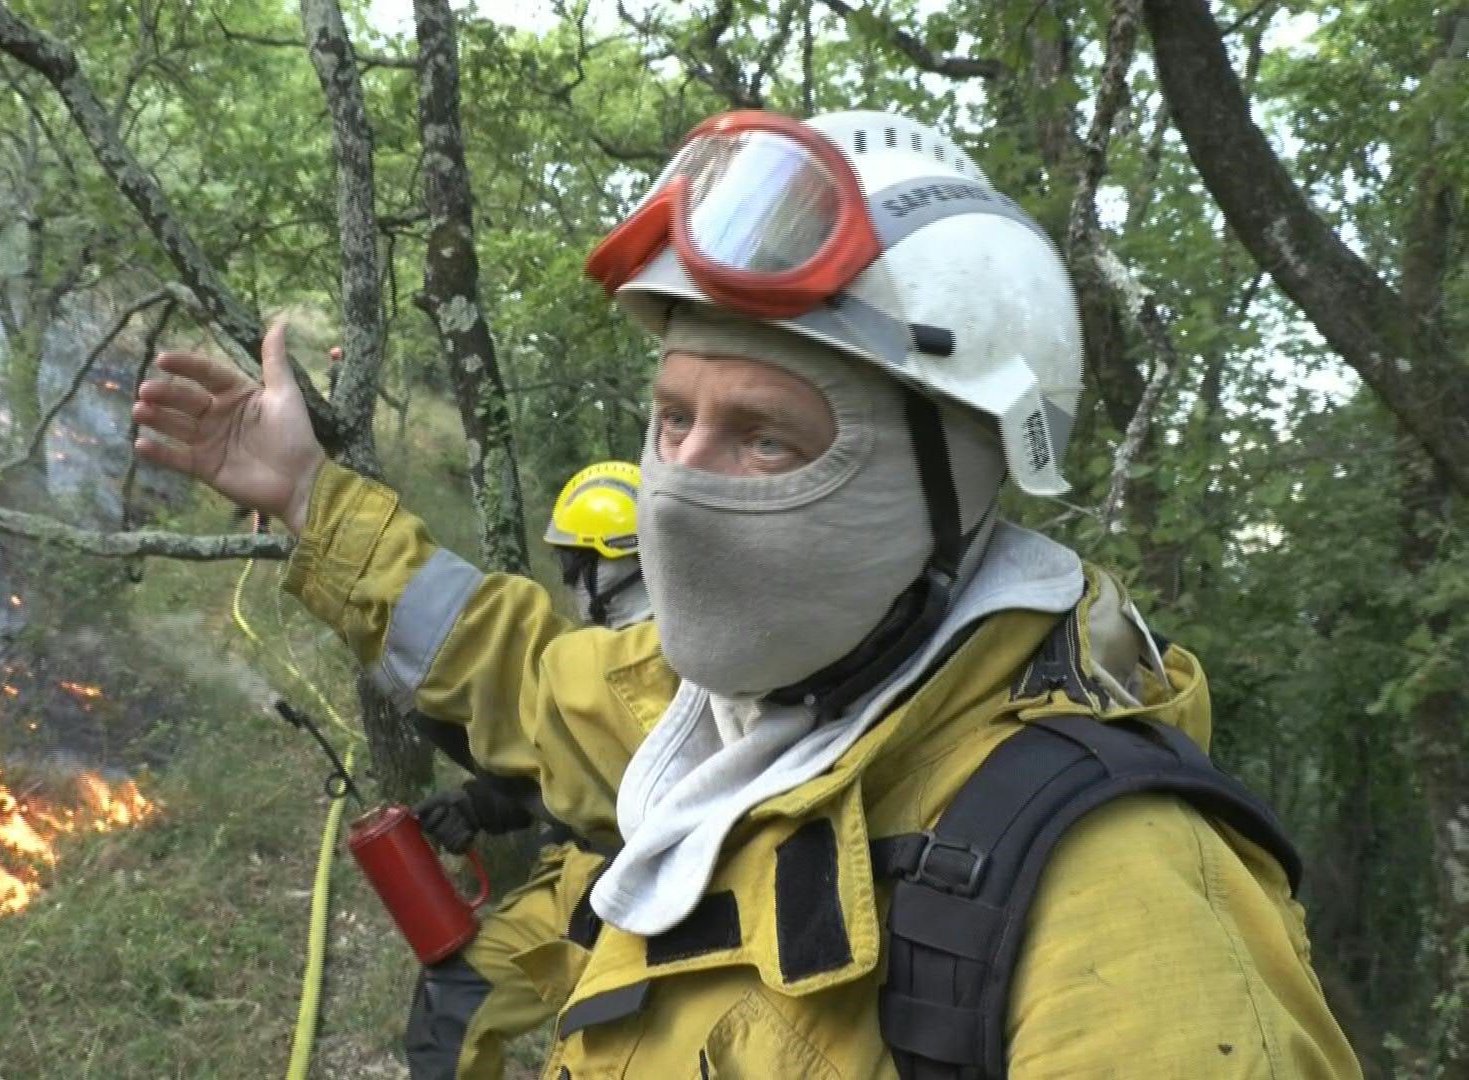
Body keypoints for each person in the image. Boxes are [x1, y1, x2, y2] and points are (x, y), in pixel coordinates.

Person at [134, 109, 1360, 1077]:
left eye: (768, 438)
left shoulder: (1130, 900)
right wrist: (307, 496)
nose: (680, 488)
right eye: (673, 418)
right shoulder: (710, 708)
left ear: (955, 477)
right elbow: (509, 666)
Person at [406, 461, 654, 1080]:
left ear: (628, 560)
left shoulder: (688, 670)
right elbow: (557, 768)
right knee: (453, 1003)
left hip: (647, 913)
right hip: (569, 890)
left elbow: (612, 791)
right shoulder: (584, 659)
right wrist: (475, 805)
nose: (571, 582)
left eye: (580, 564)